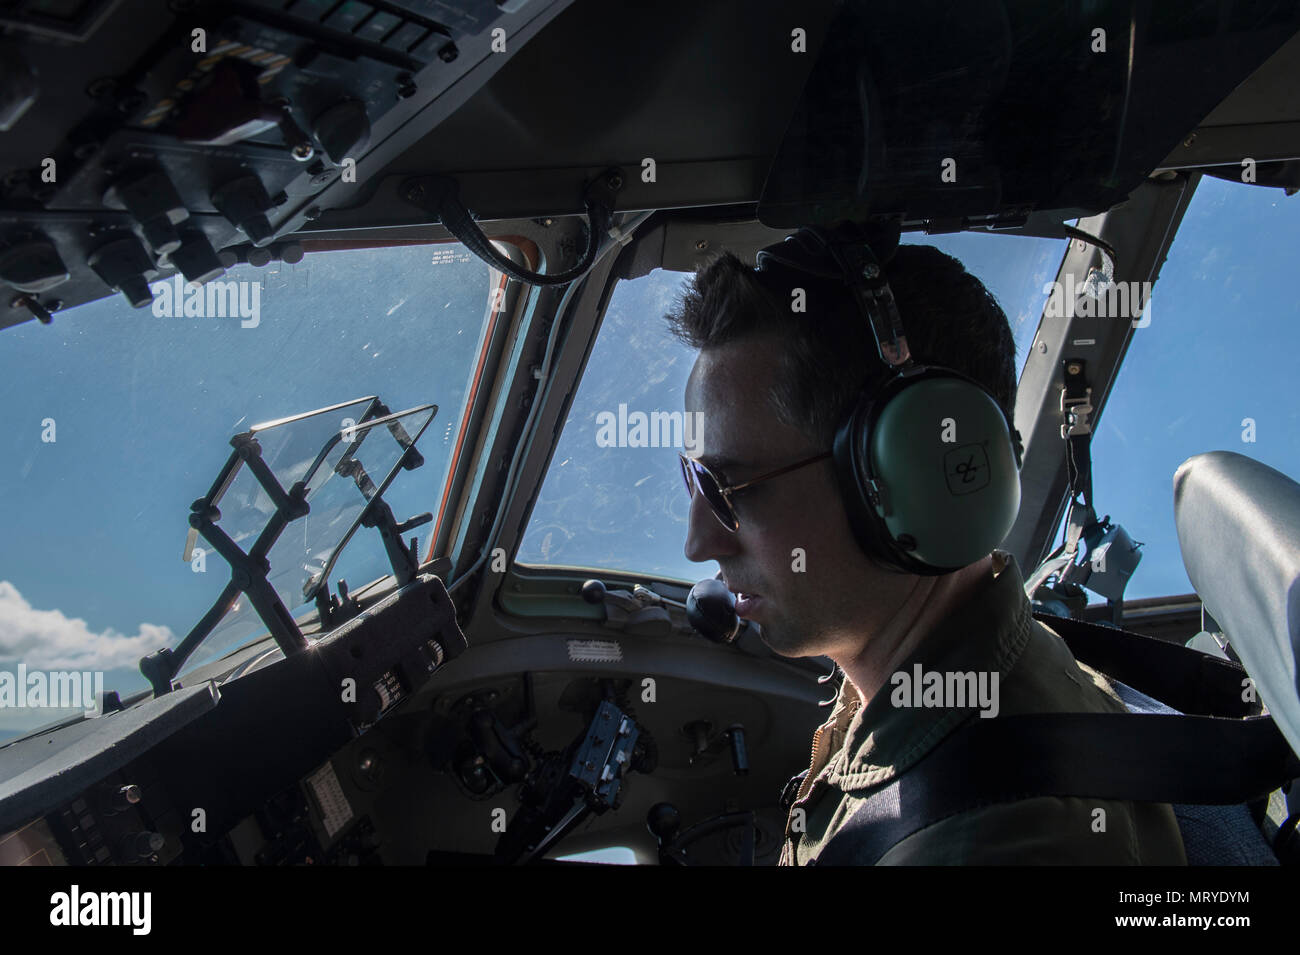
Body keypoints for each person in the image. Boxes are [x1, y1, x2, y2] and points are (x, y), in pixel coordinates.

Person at [664, 230, 1187, 864]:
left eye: (729, 487)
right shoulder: (911, 678)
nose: (697, 543)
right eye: (695, 477)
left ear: (919, 481)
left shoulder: (999, 842)